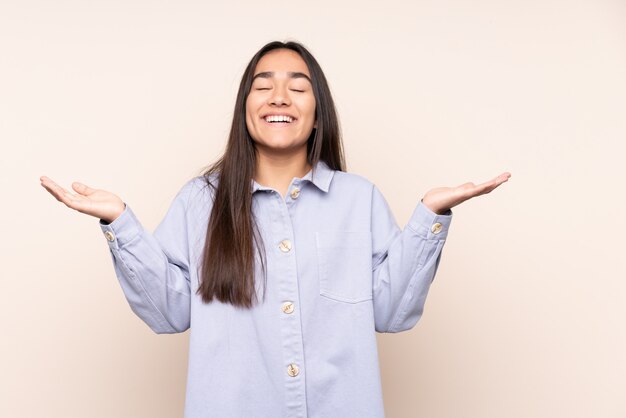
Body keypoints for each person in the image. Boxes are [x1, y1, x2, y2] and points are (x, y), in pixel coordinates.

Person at [40, 40, 510, 418]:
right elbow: (168, 313)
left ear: (317, 111)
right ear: (245, 107)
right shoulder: (199, 201)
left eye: (298, 87)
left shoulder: (359, 198)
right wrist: (119, 221)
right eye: (263, 86)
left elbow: (392, 313)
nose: (279, 97)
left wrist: (430, 216)